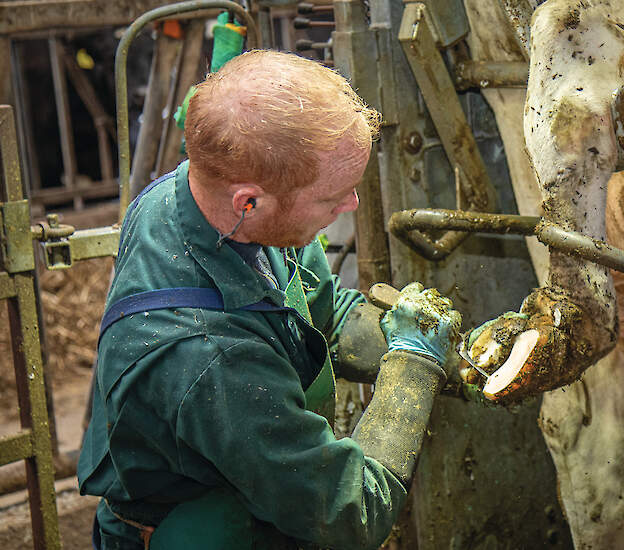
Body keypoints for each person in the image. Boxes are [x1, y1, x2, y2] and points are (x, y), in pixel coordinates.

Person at [78, 50, 462, 550]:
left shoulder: (197, 195)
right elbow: (352, 512)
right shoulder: (211, 358)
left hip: (240, 480)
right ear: (249, 202)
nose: (353, 205)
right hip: (197, 530)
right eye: (333, 198)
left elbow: (317, 313)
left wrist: (452, 354)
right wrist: (412, 370)